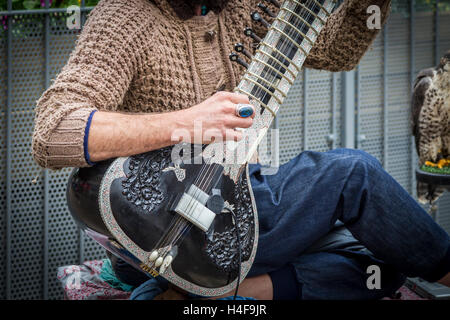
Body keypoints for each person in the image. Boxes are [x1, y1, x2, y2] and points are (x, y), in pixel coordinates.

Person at [32, 0, 450, 300]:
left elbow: (339, 51)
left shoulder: (246, 6)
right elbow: (53, 129)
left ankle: (228, 293)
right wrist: (187, 122)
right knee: (352, 173)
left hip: (242, 204)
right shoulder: (123, 17)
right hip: (157, 226)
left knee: (389, 253)